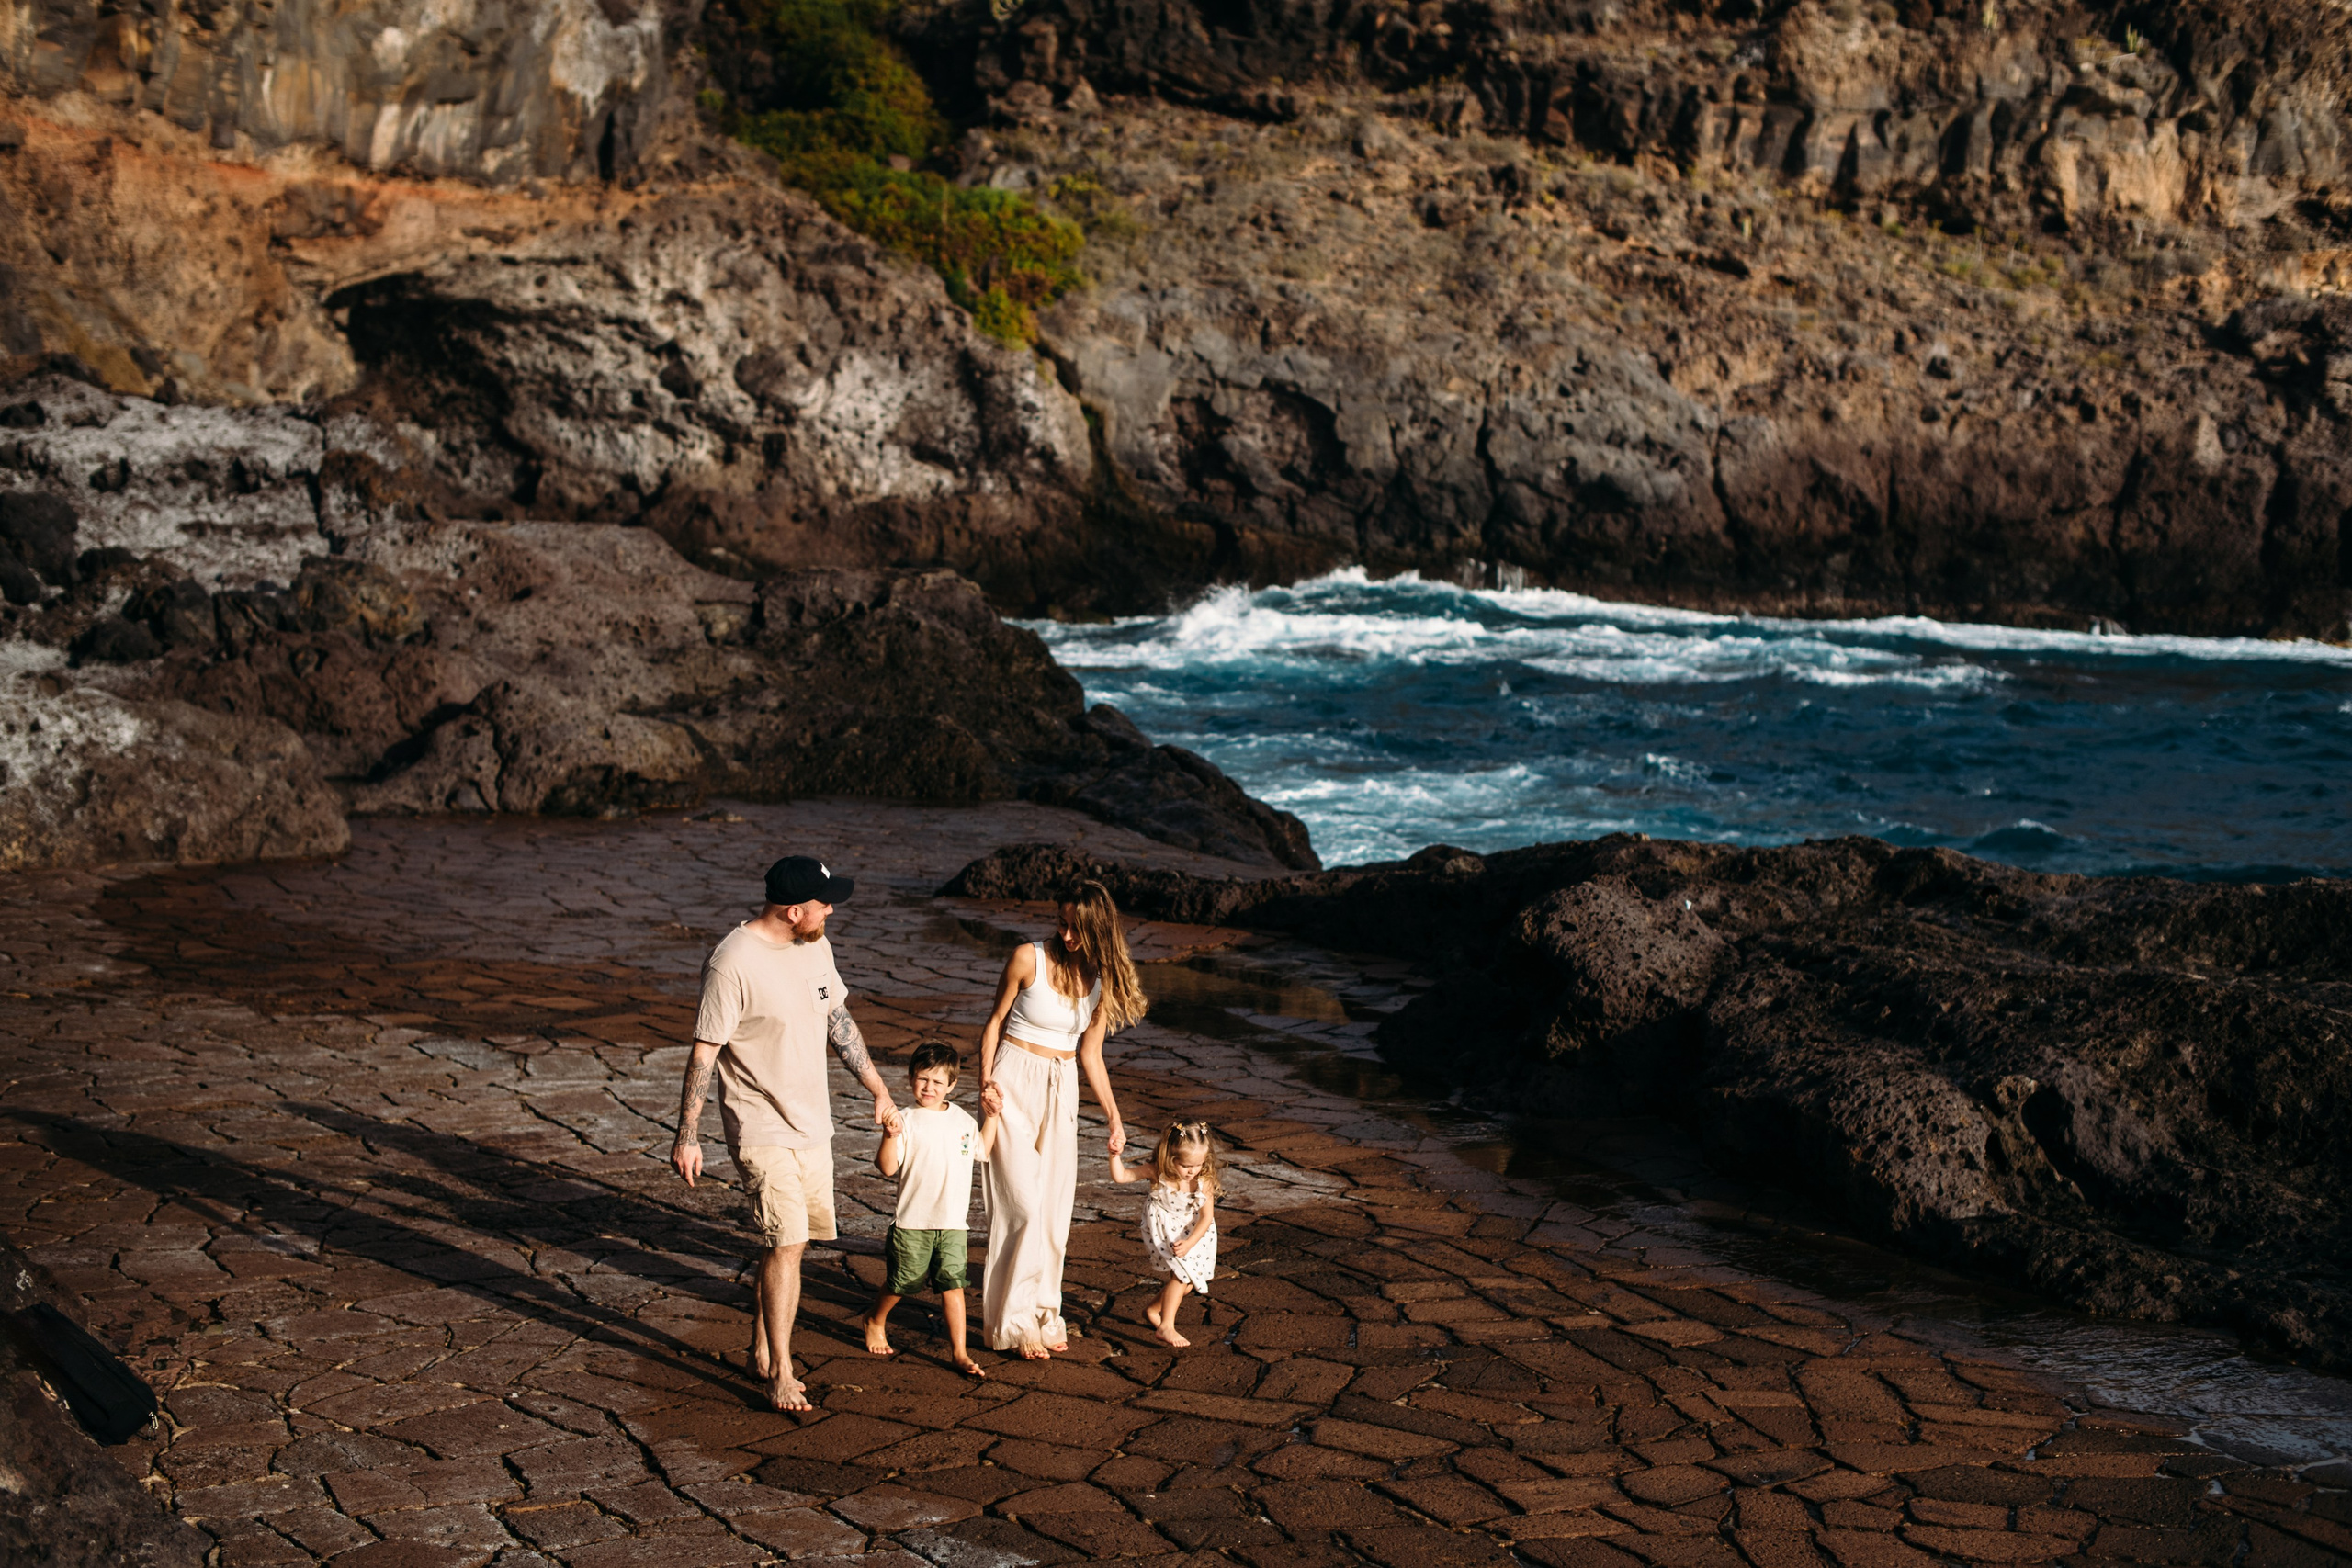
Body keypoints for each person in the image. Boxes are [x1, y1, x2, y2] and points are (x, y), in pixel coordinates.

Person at [671, 854, 895, 1413]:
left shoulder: (815, 945)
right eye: (824, 904)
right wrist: (687, 1135)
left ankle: (760, 1350)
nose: (832, 911)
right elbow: (704, 1052)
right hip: (759, 1124)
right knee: (789, 1242)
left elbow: (838, 1022)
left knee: (787, 1245)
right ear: (794, 910)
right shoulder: (732, 963)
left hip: (812, 1123)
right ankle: (783, 1374)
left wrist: (878, 1088)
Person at [976, 880, 1148, 1359]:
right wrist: (986, 1082)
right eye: (1062, 923)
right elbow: (993, 1024)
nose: (1067, 935)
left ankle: (1045, 1313)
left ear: (1099, 930)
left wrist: (1114, 1118)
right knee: (1022, 1206)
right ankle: (1013, 1325)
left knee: (1053, 1214)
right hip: (1012, 1082)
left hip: (1062, 1086)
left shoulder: (1101, 980)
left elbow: (1091, 1054)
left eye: (1077, 928)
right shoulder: (1027, 958)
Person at [860, 1040, 1001, 1376]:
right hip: (912, 1222)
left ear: (952, 1084)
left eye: (938, 1081)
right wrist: (889, 1134)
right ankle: (874, 1319)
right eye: (923, 1078)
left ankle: (959, 1352)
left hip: (953, 1223)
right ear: (911, 1078)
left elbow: (982, 1150)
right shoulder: (905, 1119)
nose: (929, 1087)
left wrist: (992, 1117)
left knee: (953, 1284)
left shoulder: (963, 1120)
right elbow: (887, 1167)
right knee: (903, 1282)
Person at [1110, 1120, 1221, 1348]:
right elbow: (1121, 1176)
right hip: (1164, 1228)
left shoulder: (1204, 1179)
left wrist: (1190, 1243)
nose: (1192, 1171)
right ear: (1170, 1157)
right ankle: (1166, 1326)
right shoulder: (1157, 1171)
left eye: (1198, 1164)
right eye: (1185, 1165)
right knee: (1181, 1277)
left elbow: (1206, 1217)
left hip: (1193, 1232)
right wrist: (1114, 1156)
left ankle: (1152, 1310)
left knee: (1188, 1283)